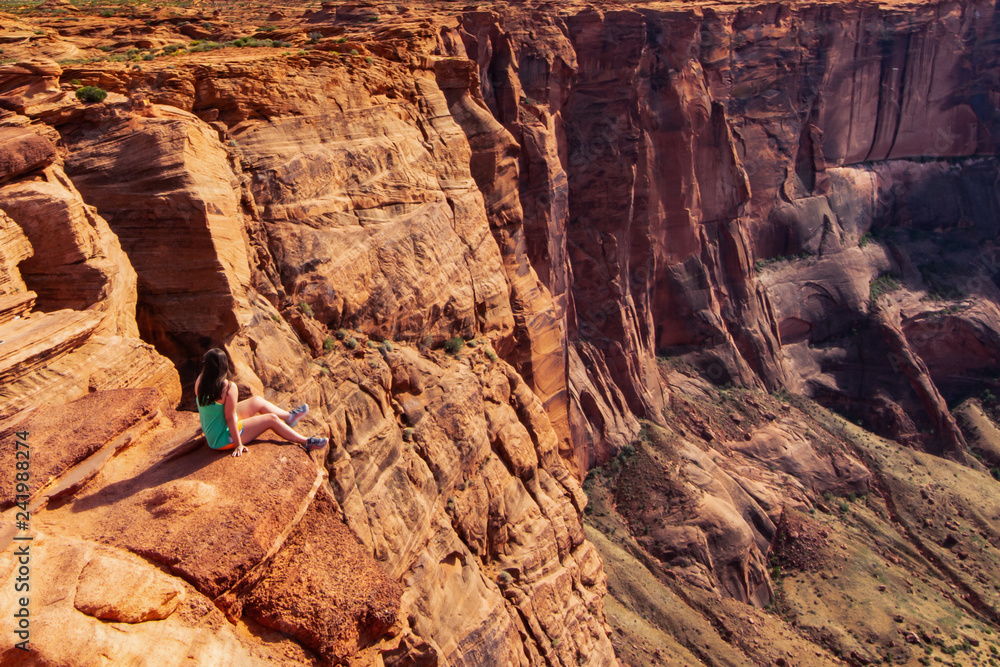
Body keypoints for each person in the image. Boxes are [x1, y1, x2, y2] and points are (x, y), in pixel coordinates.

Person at [194, 348, 327, 457]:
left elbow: (204, 408)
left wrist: (207, 426)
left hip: (215, 429)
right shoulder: (228, 388)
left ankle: (289, 417)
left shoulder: (200, 381)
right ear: (223, 366)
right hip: (221, 439)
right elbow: (229, 418)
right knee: (272, 419)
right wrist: (238, 444)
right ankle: (306, 442)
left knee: (257, 401)